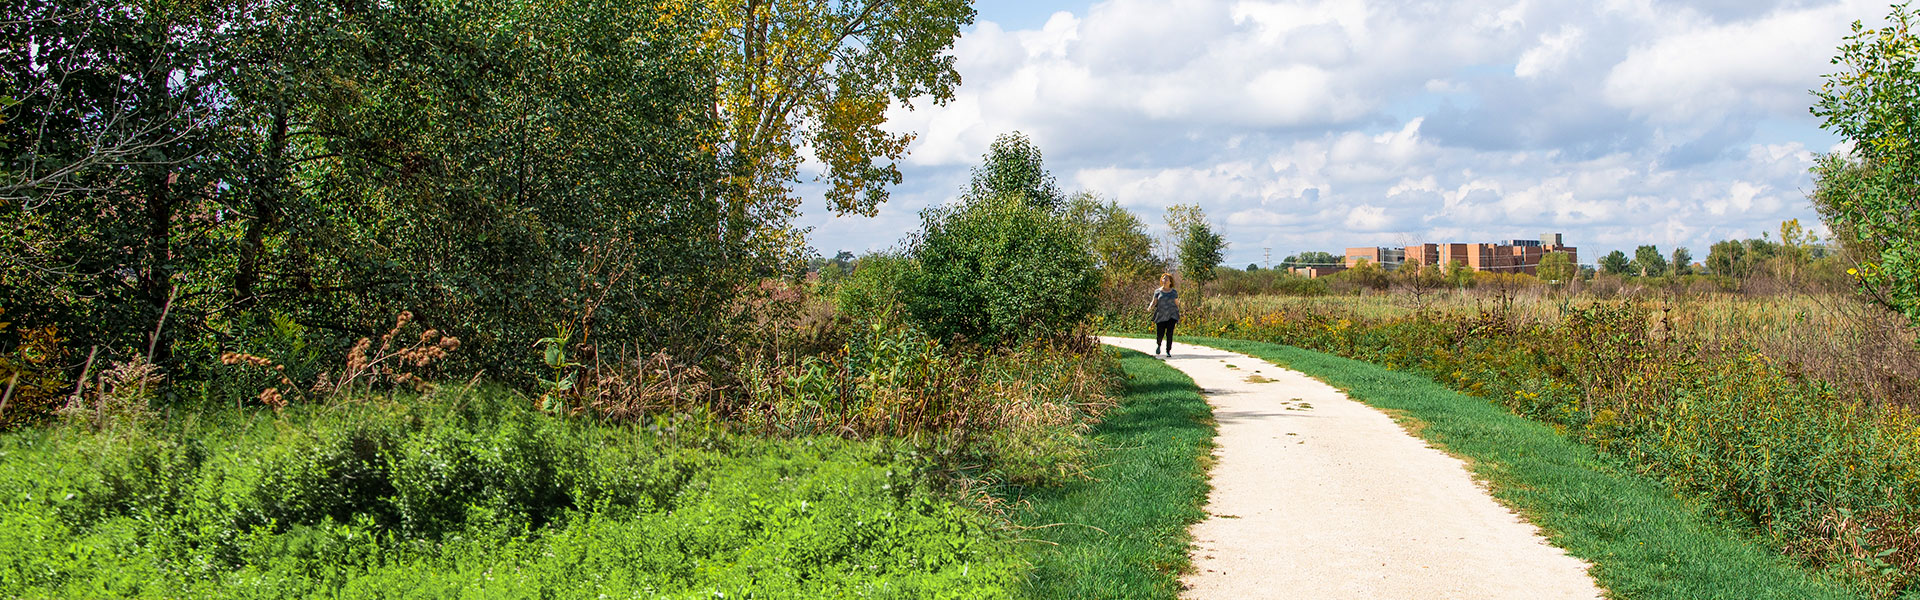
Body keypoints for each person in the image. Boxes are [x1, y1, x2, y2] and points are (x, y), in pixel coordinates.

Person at [1147, 272, 1181, 357]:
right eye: (1164, 278)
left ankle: (1168, 350)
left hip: (1172, 315)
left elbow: (1177, 303)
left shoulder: (1174, 292)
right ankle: (1159, 344)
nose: (1165, 280)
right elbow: (1154, 301)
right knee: (1160, 333)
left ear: (1170, 282)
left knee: (1169, 333)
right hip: (1161, 315)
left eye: (1167, 279)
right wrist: (1150, 307)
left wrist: (1178, 313)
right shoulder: (1157, 291)